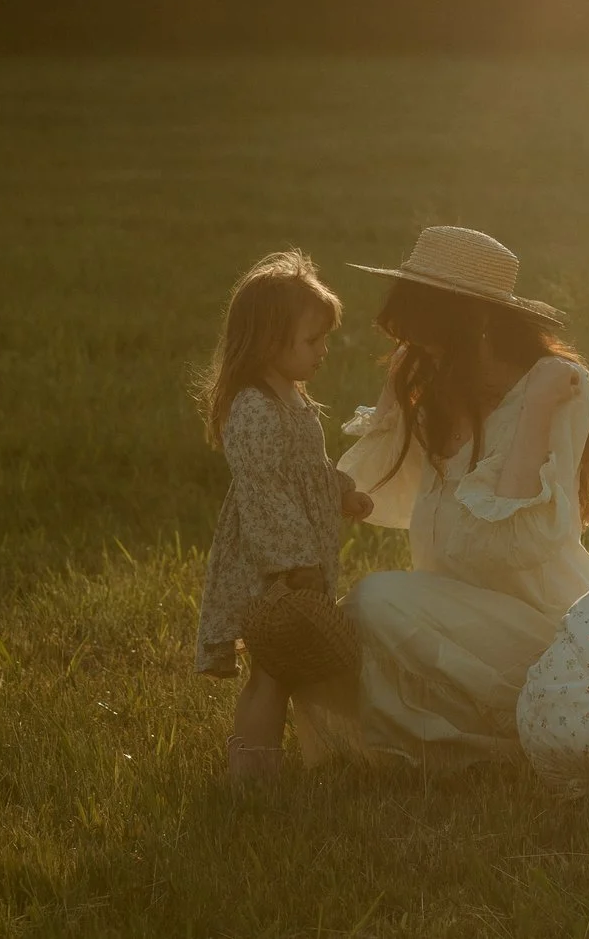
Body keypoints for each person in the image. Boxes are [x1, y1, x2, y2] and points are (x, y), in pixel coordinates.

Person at [336, 226, 589, 768]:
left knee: (374, 601)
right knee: (362, 616)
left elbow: (510, 541)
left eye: (429, 328)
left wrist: (534, 410)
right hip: (457, 608)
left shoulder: (557, 384)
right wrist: (394, 393)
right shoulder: (440, 382)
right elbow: (371, 491)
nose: (418, 344)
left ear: (478, 320)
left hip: (544, 623)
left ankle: (505, 737)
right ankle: (462, 737)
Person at [191, 250, 375, 784]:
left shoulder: (291, 398)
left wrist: (342, 492)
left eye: (324, 339)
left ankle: (269, 767)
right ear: (271, 342)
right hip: (273, 565)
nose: (323, 351)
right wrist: (294, 562)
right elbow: (264, 488)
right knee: (270, 674)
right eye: (312, 341)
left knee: (283, 668)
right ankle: (252, 779)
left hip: (297, 559)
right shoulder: (253, 408)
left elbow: (308, 468)